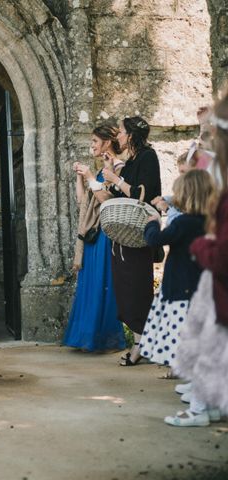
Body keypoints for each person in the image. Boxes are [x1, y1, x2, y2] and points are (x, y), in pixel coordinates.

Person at [167, 94, 228, 427]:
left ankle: (202, 409)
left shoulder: (218, 174)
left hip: (217, 271)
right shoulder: (217, 170)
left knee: (210, 341)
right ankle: (212, 402)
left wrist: (201, 248)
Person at [100, 117, 162, 365]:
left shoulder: (148, 157)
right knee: (125, 290)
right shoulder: (132, 160)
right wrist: (112, 174)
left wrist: (117, 180)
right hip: (124, 235)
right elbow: (116, 194)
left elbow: (142, 194)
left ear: (133, 135)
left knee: (138, 290)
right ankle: (141, 341)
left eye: (123, 133)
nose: (119, 137)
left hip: (139, 233)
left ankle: (142, 346)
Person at [139, 170, 212, 376]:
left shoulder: (183, 223)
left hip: (181, 288)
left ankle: (195, 387)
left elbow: (155, 240)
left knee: (180, 335)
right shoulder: (209, 222)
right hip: (201, 287)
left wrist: (153, 223)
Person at [65, 125, 127, 352]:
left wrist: (92, 176)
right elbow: (83, 202)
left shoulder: (118, 167)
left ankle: (105, 339)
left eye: (94, 141)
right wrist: (81, 178)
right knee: (89, 284)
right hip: (92, 234)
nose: (91, 145)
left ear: (107, 143)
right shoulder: (101, 170)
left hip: (104, 234)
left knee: (103, 283)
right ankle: (86, 337)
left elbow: (107, 199)